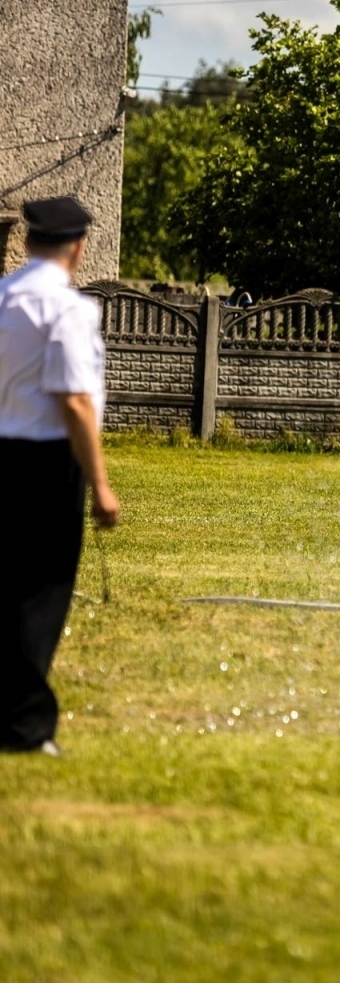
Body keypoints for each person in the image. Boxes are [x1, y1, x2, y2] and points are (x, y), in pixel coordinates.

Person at [0, 196, 121, 756]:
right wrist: (99, 483)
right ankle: (25, 726)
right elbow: (73, 402)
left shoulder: (3, 298)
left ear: (27, 243)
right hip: (47, 461)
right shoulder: (68, 311)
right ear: (78, 247)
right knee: (41, 592)